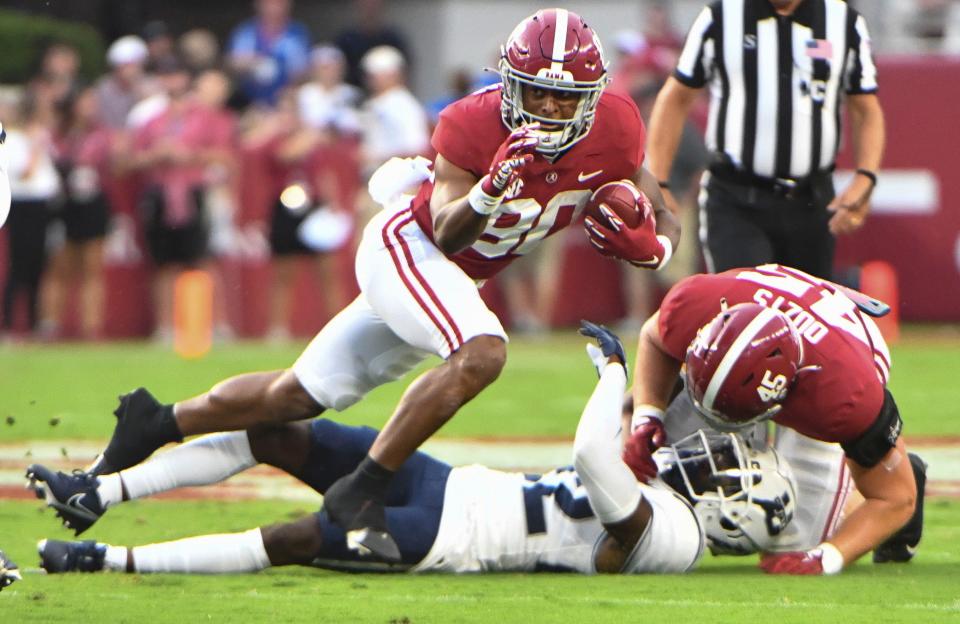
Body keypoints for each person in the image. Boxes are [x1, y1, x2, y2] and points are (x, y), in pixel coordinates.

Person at [69, 9, 680, 563]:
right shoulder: (472, 122)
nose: (546, 110)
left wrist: (659, 249)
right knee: (483, 351)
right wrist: (490, 188)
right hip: (408, 248)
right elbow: (446, 226)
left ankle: (155, 423)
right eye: (536, 94)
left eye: (562, 98)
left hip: (453, 281)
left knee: (294, 398)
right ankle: (363, 488)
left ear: (593, 97)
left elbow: (663, 206)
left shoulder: (617, 128)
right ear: (509, 85)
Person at [30, 324, 796, 576]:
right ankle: (102, 495)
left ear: (735, 517)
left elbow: (597, 461)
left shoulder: (680, 540)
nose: (714, 464)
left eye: (732, 474)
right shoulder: (675, 499)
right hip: (453, 482)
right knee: (276, 431)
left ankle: (111, 562)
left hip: (447, 541)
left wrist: (614, 376)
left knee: (293, 539)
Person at [623, 263, 923, 575]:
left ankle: (882, 477)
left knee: (792, 549)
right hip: (762, 316)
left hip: (841, 348)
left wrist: (828, 556)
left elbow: (897, 499)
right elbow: (654, 337)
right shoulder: (695, 303)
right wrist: (647, 417)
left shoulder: (843, 397)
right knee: (645, 449)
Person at [645, 0, 886, 280]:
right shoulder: (721, 17)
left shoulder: (842, 21)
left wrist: (865, 178)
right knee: (746, 307)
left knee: (806, 314)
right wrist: (659, 181)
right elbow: (675, 98)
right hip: (737, 198)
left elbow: (866, 109)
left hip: (811, 200)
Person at [39, 86, 115, 340]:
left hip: (92, 202)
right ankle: (50, 325)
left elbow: (113, 165)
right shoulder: (57, 134)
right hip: (62, 204)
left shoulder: (101, 134)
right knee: (59, 267)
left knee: (92, 266)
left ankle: (91, 328)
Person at [226, 0, 311, 107]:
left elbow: (305, 70)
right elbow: (231, 64)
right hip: (248, 99)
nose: (274, 8)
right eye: (269, 3)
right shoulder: (245, 31)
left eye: (279, 3)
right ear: (258, 5)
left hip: (285, 100)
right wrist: (249, 62)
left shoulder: (297, 33)